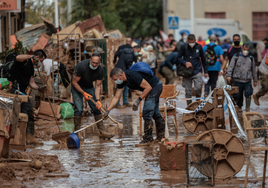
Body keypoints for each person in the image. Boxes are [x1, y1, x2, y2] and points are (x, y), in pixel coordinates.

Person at [103, 66, 165, 146]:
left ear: (121, 75)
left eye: (115, 79)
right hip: (150, 89)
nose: (116, 82)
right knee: (155, 113)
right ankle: (160, 137)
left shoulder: (132, 75)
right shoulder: (122, 82)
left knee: (147, 112)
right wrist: (107, 110)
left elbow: (148, 87)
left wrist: (138, 100)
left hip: (155, 86)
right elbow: (116, 97)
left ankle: (148, 139)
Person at [71, 53, 114, 140]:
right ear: (90, 60)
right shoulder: (81, 66)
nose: (94, 65)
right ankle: (77, 133)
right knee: (79, 109)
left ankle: (102, 131)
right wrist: (84, 93)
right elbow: (74, 82)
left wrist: (98, 100)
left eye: (96, 63)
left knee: (97, 107)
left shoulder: (100, 70)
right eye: (93, 62)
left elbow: (97, 86)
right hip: (77, 86)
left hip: (89, 86)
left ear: (100, 63)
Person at [8, 49, 47, 145]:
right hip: (14, 90)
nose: (41, 64)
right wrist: (31, 56)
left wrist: (39, 88)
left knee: (29, 112)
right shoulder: (24, 61)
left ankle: (30, 137)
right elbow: (18, 57)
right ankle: (15, 138)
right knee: (16, 113)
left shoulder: (32, 68)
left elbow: (31, 83)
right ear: (37, 58)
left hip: (22, 91)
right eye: (41, 61)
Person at [177, 34, 208, 105]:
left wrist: (206, 71)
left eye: (192, 42)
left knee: (198, 87)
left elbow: (203, 60)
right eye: (190, 42)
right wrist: (185, 63)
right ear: (187, 41)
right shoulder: (183, 46)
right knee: (188, 91)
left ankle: (197, 103)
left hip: (197, 71)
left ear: (195, 40)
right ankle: (189, 106)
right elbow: (178, 57)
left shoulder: (199, 47)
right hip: (186, 72)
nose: (191, 44)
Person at [226, 43, 257, 112]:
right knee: (237, 96)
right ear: (242, 48)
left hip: (247, 81)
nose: (246, 51)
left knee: (248, 95)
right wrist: (228, 76)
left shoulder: (251, 58)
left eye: (247, 50)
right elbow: (231, 67)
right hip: (237, 81)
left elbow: (253, 70)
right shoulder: (236, 56)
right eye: (245, 49)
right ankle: (237, 109)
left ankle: (247, 110)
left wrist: (255, 80)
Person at [113, 37, 137, 108]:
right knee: (121, 85)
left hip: (119, 68)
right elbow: (133, 61)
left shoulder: (121, 48)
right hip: (123, 71)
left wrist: (114, 61)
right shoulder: (130, 51)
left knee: (123, 85)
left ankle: (124, 102)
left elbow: (115, 55)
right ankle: (118, 103)